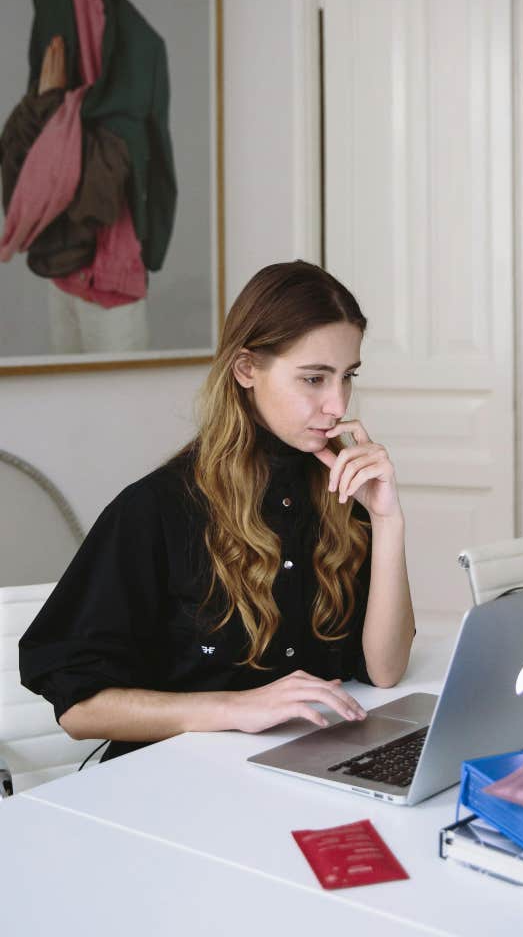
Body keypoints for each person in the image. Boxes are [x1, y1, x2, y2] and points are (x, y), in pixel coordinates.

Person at [19, 261, 415, 760]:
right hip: (175, 785)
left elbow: (385, 669)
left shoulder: (341, 491)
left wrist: (387, 520)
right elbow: (79, 710)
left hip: (305, 763)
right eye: (314, 379)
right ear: (247, 368)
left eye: (347, 377)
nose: (337, 405)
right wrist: (236, 708)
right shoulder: (158, 508)